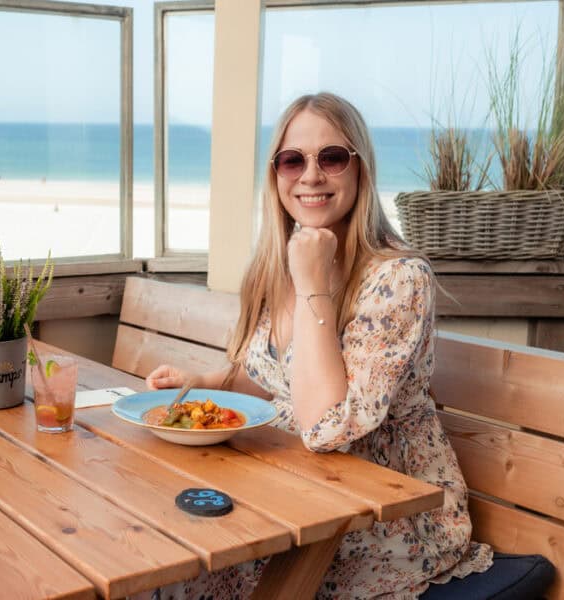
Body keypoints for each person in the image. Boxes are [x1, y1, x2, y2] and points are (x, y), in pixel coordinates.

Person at [143, 92, 492, 599]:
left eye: (331, 157)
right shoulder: (275, 265)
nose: (310, 175)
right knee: (153, 544)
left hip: (381, 515)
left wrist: (312, 288)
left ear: (360, 170)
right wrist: (209, 383)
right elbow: (277, 378)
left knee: (184, 571)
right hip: (292, 486)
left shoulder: (398, 279)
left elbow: (325, 426)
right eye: (292, 160)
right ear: (276, 175)